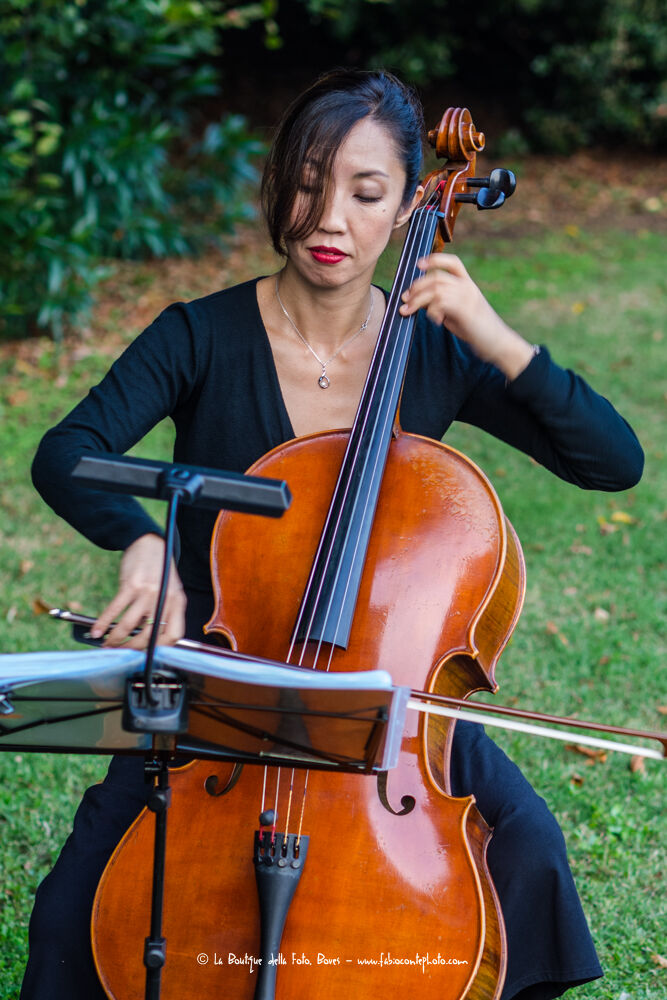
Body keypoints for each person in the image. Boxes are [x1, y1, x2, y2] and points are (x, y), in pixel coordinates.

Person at [26, 69, 643, 1000]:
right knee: (79, 903)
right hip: (223, 685)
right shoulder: (199, 336)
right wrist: (142, 539)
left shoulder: (432, 348)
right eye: (310, 184)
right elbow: (67, 451)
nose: (330, 218)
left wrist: (495, 336)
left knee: (529, 856)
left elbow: (612, 462)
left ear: (404, 210)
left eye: (365, 193)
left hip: (381, 700)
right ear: (279, 186)